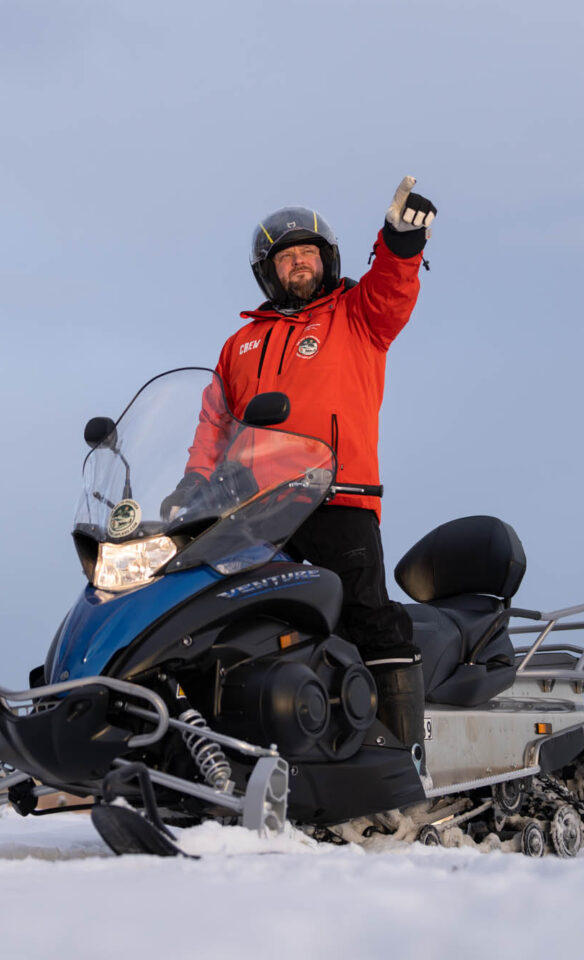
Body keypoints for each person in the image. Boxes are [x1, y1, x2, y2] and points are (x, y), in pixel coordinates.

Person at [164, 176, 437, 768]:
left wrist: (399, 243)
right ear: (268, 271)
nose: (298, 266)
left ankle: (403, 765)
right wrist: (193, 482)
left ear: (327, 260)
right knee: (223, 618)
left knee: (367, 617)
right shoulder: (240, 344)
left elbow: (392, 290)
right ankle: (243, 750)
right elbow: (215, 421)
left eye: (307, 255)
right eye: (286, 258)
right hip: (254, 514)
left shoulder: (357, 317)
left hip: (339, 497)